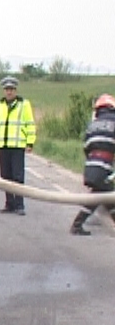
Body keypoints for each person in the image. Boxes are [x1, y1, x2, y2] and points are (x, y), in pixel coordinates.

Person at [0, 76, 37, 215]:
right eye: (7, 89)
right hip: (3, 146)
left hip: (18, 146)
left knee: (18, 176)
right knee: (5, 176)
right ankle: (9, 203)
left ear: (16, 90)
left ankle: (19, 205)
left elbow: (30, 124)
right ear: (3, 91)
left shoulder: (24, 105)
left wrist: (30, 142)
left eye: (11, 89)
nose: (9, 92)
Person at [69, 93, 115, 235]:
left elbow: (86, 147)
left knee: (103, 196)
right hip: (105, 166)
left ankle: (77, 225)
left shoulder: (92, 125)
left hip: (90, 166)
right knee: (103, 195)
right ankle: (76, 226)